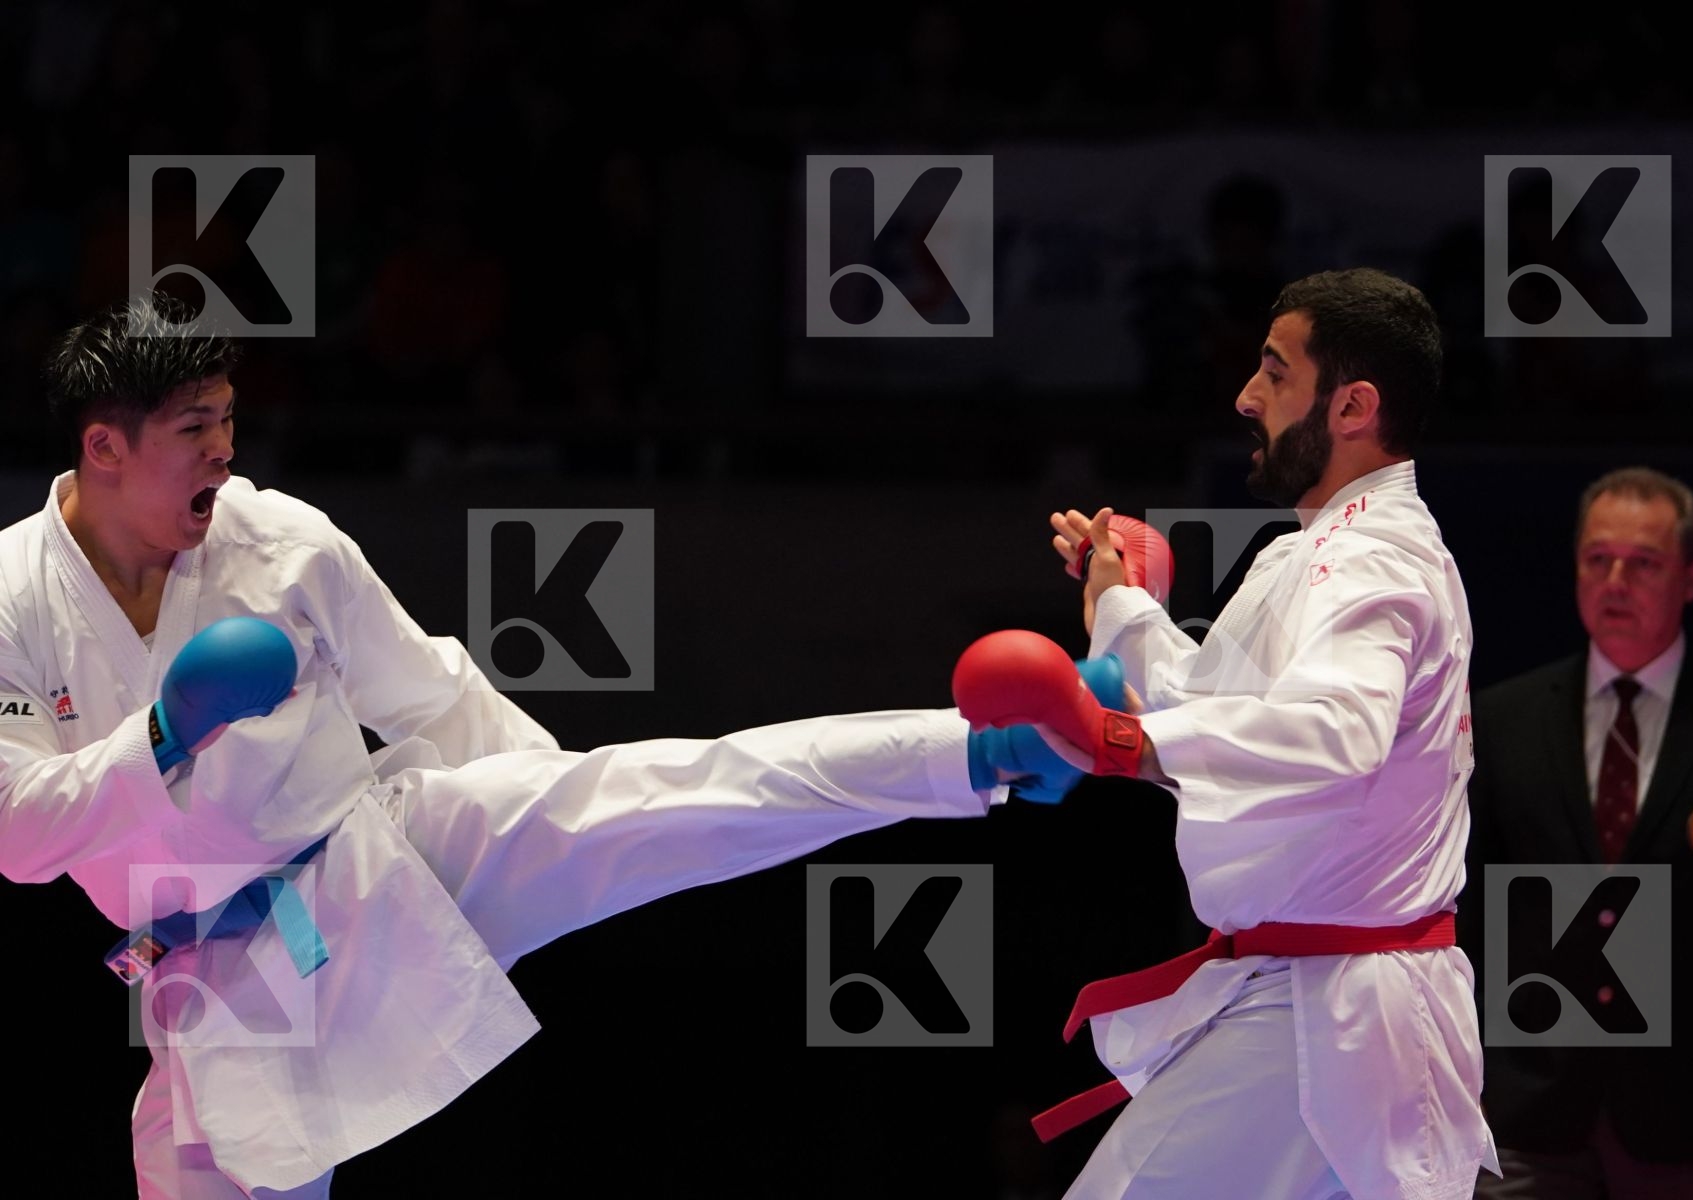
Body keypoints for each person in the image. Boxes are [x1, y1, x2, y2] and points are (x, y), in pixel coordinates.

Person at [0, 294, 1071, 1199]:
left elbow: (430, 693)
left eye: (229, 420)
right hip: (213, 973)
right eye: (196, 428)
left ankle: (981, 752)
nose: (226, 453)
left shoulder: (283, 541)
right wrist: (159, 737)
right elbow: (17, 835)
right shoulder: (12, 596)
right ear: (105, 446)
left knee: (665, 791)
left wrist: (550, 803)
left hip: (372, 861)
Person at [1031, 268, 1499, 1198]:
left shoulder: (1372, 557)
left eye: (1276, 373)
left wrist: (1132, 746)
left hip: (1328, 1012)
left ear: (1354, 404)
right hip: (1325, 999)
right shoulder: (1312, 550)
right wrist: (1117, 595)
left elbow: (1332, 733)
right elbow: (1202, 701)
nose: (1248, 397)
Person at [1463, 467, 1693, 1200]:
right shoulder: (1502, 718)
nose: (1615, 580)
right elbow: (1468, 918)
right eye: (1597, 559)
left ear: (1692, 576)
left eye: (1643, 563)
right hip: (1530, 1106)